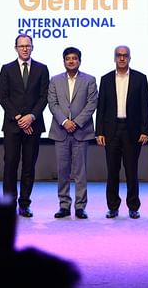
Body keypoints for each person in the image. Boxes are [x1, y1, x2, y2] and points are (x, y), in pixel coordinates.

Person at [95, 45, 148, 219]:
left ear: (129, 58)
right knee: (112, 170)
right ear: (114, 58)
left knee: (131, 171)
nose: (121, 58)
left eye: (125, 55)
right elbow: (101, 107)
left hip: (132, 131)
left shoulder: (140, 78)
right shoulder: (105, 79)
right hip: (111, 130)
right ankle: (113, 207)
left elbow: (145, 106)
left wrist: (145, 130)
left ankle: (133, 206)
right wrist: (99, 132)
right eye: (118, 55)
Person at [0, 35, 49, 217]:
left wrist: (31, 117)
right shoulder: (7, 69)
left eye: (28, 46)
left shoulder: (42, 69)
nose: (25, 49)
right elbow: (3, 97)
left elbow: (44, 97)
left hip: (33, 126)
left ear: (32, 47)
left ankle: (25, 204)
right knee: (10, 165)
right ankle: (8, 204)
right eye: (21, 46)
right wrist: (20, 118)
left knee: (29, 166)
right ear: (16, 48)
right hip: (13, 125)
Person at [47, 46, 98, 219]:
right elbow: (52, 103)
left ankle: (80, 206)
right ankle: (64, 205)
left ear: (79, 61)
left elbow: (92, 104)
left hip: (81, 132)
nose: (71, 61)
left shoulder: (89, 80)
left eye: (74, 58)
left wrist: (75, 123)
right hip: (60, 131)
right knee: (62, 171)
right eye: (68, 58)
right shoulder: (54, 80)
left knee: (80, 172)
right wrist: (64, 122)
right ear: (64, 61)